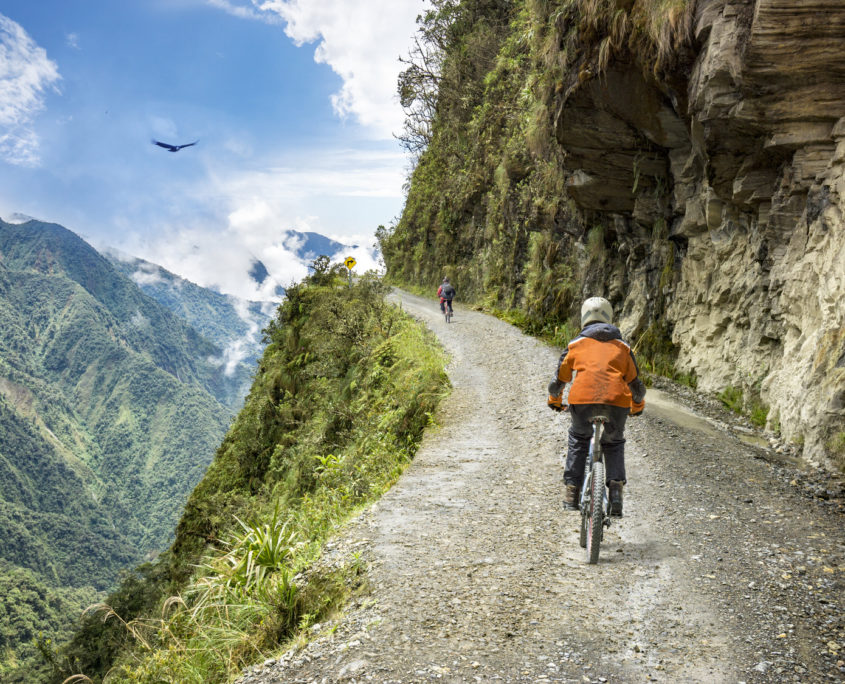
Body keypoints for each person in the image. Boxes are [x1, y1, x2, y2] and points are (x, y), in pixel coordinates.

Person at [547, 296, 646, 517]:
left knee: (578, 439)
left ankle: (572, 493)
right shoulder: (623, 347)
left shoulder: (575, 345)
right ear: (609, 317)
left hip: (582, 402)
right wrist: (637, 405)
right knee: (614, 442)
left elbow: (558, 382)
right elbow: (636, 386)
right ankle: (616, 494)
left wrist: (554, 400)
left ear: (584, 317)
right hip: (616, 403)